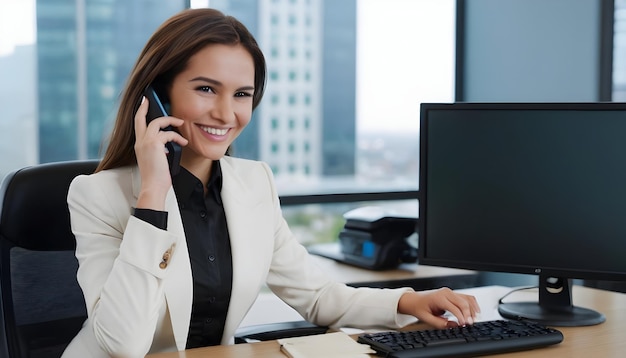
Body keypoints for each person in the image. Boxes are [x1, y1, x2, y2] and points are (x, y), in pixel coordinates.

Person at [62, 8, 480, 358]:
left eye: (242, 94)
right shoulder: (97, 195)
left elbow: (316, 296)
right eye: (206, 88)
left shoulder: (254, 184)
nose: (227, 114)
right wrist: (152, 197)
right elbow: (124, 345)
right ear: (157, 96)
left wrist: (409, 301)